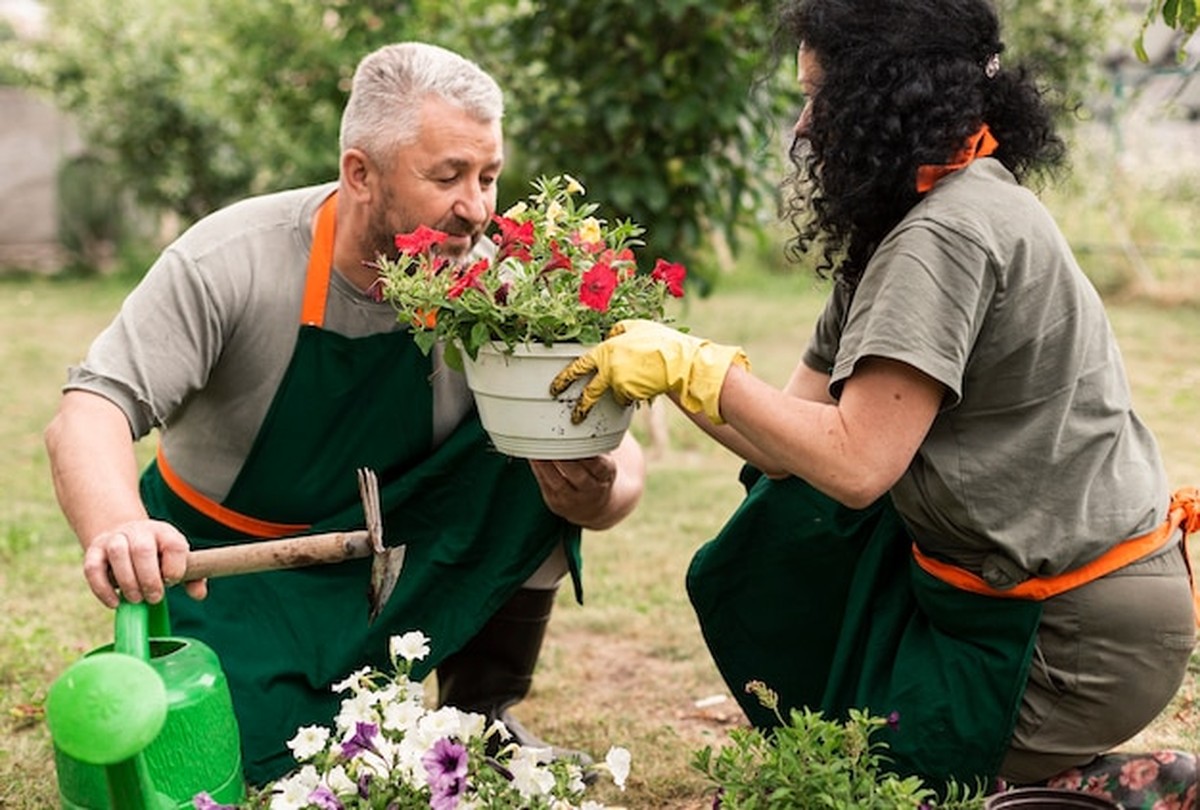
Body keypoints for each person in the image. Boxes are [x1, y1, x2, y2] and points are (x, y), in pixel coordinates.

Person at [552, 0, 1199, 803]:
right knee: (780, 529)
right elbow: (782, 438)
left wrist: (697, 369)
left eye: (818, 96)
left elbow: (857, 463)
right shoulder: (919, 221)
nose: (802, 127)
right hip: (1023, 600)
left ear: (888, 94)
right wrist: (669, 364)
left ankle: (1104, 789)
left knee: (856, 783)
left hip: (1072, 635)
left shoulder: (946, 236)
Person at [44, 41, 645, 786]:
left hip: (392, 559)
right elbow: (89, 410)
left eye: (488, 176)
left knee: (537, 443)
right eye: (448, 176)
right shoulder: (234, 260)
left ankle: (480, 712)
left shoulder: (497, 287)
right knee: (262, 766)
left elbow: (612, 448)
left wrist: (602, 488)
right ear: (361, 173)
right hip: (230, 570)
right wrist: (118, 525)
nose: (478, 209)